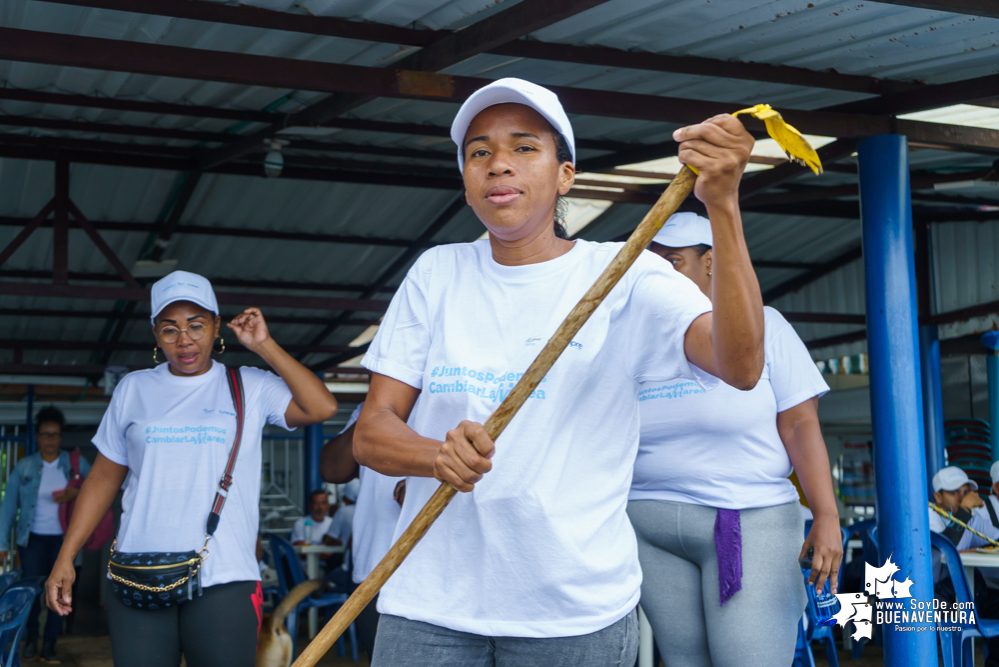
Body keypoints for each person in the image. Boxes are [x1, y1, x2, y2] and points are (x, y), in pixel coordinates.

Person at [353, 77, 765, 666]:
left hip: (574, 615)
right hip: (429, 608)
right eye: (479, 152)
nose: (499, 164)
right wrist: (433, 456)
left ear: (565, 175)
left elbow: (742, 365)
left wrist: (722, 205)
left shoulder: (623, 274)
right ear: (466, 180)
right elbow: (372, 431)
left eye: (524, 148)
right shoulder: (436, 273)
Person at [44, 270, 338, 667]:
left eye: (196, 326)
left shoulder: (247, 385)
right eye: (170, 330)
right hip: (137, 571)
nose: (184, 340)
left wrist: (263, 345)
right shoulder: (133, 388)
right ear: (155, 334)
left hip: (224, 575)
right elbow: (102, 477)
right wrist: (66, 556)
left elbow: (322, 407)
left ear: (217, 325)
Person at [627, 212, 841, 666]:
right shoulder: (636, 337)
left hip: (745, 519)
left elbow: (801, 424)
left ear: (710, 263)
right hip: (649, 526)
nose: (659, 273)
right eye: (652, 262)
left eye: (673, 261)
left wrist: (826, 515)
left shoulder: (767, 326)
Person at [0, 405, 89, 663]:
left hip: (64, 542)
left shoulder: (74, 464)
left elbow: (98, 487)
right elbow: (8, 507)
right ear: (38, 436)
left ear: (61, 437)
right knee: (32, 592)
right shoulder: (25, 467)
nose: (51, 439)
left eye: (55, 434)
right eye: (46, 434)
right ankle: (30, 639)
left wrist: (77, 492)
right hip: (32, 540)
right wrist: (2, 542)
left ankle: (49, 644)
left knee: (61, 593)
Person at [320, 402, 405, 658]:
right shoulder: (365, 410)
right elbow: (332, 470)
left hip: (437, 573)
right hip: (373, 571)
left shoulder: (454, 390)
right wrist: (375, 407)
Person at [929, 466, 999, 665]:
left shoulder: (970, 518)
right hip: (933, 594)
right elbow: (946, 544)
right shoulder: (930, 515)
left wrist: (969, 513)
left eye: (966, 492)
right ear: (938, 496)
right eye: (954, 493)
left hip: (964, 593)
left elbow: (995, 538)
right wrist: (965, 511)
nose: (961, 498)